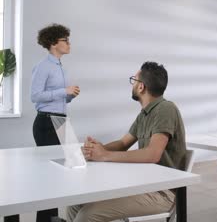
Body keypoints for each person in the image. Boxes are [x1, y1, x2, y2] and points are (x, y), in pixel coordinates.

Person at [67, 62, 187, 222]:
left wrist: (104, 155)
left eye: (134, 80)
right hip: (143, 184)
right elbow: (123, 143)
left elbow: (153, 154)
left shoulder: (166, 109)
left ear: (141, 87)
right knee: (75, 204)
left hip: (162, 192)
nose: (133, 84)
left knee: (87, 215)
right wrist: (97, 149)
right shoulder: (145, 114)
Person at [22, 24, 79, 222]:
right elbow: (35, 96)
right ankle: (46, 219)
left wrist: (70, 96)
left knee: (63, 171)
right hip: (46, 123)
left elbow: (57, 99)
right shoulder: (43, 66)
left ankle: (51, 218)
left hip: (61, 121)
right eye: (66, 40)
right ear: (54, 43)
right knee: (49, 176)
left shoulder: (60, 67)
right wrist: (64, 92)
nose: (69, 44)